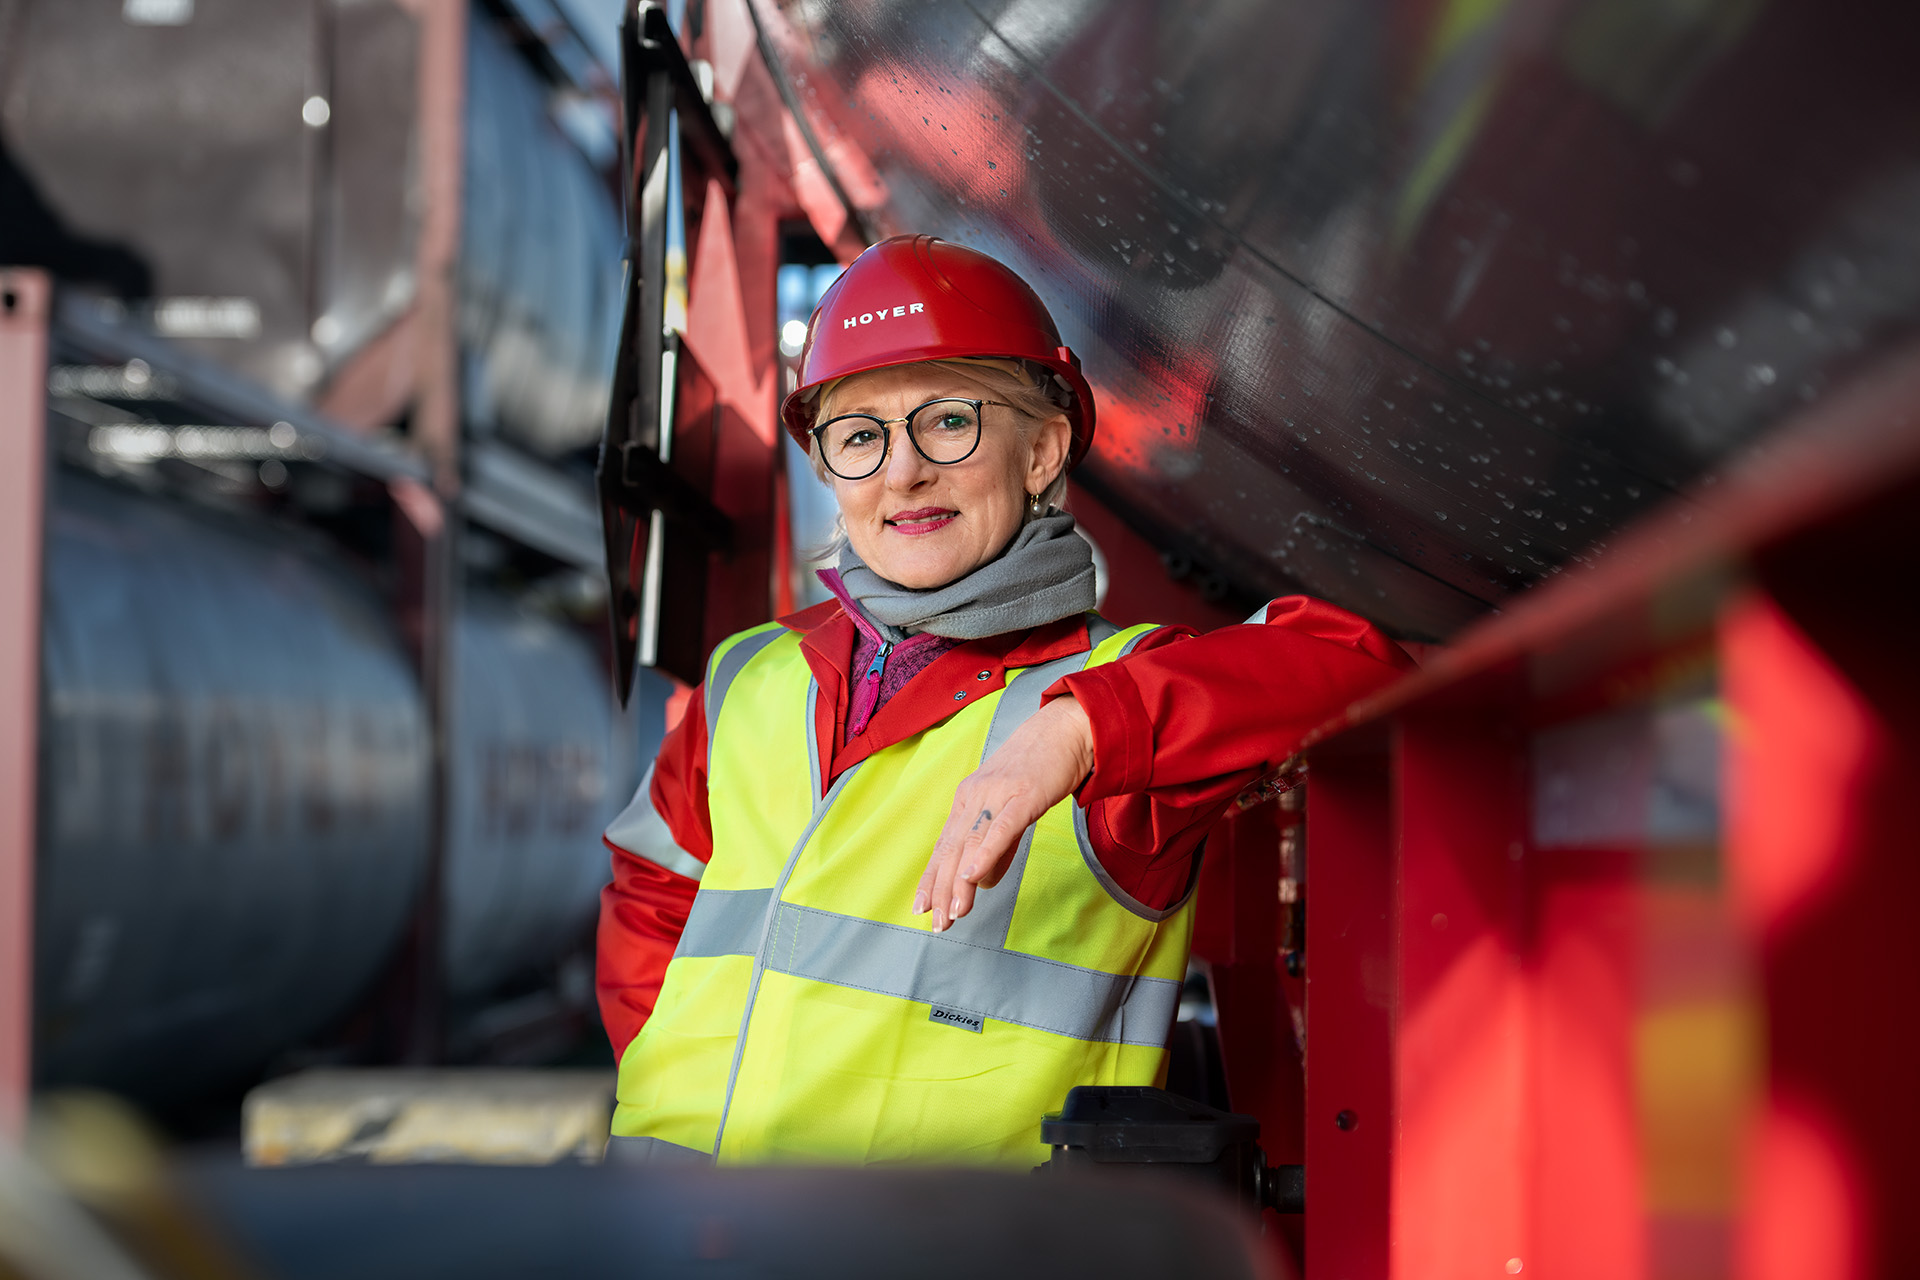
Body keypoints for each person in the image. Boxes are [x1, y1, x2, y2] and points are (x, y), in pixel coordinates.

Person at [596, 234, 1413, 1166]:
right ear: (828, 469)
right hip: (674, 1233)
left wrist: (1078, 729)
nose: (903, 473)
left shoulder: (1117, 704)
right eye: (861, 436)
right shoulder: (752, 676)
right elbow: (650, 899)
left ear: (1042, 450)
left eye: (949, 422)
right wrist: (663, 1087)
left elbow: (1359, 663)